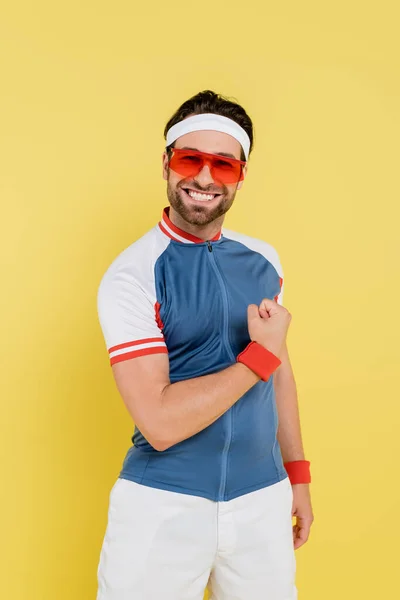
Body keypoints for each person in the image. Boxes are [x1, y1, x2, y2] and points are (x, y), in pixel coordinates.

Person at [96, 90, 314, 600]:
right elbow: (162, 423)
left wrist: (296, 474)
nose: (205, 178)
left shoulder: (264, 260)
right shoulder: (132, 275)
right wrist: (258, 356)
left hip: (262, 498)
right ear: (168, 165)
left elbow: (281, 372)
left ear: (241, 173)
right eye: (190, 159)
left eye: (224, 165)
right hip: (162, 505)